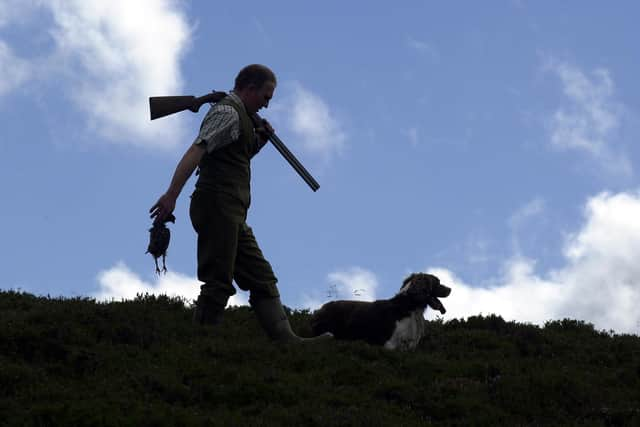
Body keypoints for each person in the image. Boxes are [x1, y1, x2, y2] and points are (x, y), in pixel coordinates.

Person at [149, 64, 330, 344]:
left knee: (260, 275)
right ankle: (201, 344)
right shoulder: (227, 112)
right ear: (249, 88)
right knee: (218, 279)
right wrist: (171, 195)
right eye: (265, 97)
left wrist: (260, 140)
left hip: (232, 211)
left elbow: (235, 155)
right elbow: (197, 150)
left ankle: (286, 340)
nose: (267, 104)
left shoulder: (241, 116)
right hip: (216, 206)